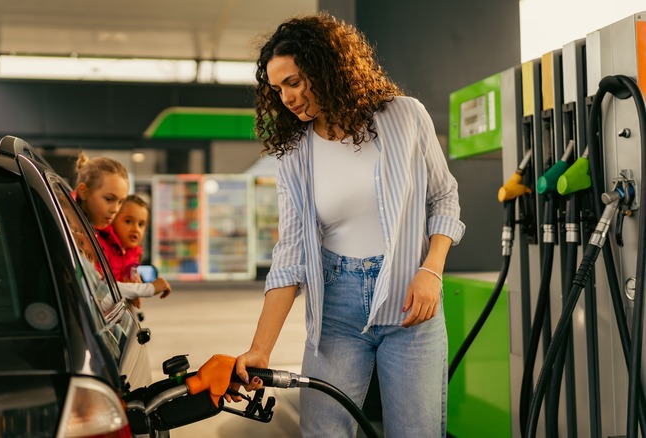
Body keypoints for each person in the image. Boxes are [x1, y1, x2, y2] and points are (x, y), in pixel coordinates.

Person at [229, 13, 465, 437]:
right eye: (277, 88)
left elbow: (443, 196)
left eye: (295, 82)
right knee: (324, 433)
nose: (286, 97)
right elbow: (292, 254)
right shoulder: (295, 155)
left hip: (410, 303)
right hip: (336, 309)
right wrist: (259, 349)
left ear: (328, 67)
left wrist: (432, 270)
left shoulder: (404, 117)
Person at [73, 153, 171, 302]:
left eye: (120, 202)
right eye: (109, 199)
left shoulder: (90, 230)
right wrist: (148, 289)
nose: (115, 209)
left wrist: (131, 288)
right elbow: (98, 292)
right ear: (83, 192)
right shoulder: (75, 232)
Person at [111, 194, 171, 308]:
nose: (136, 229)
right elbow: (104, 290)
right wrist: (147, 289)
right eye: (128, 221)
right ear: (112, 219)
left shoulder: (132, 256)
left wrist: (135, 292)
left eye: (141, 224)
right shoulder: (104, 249)